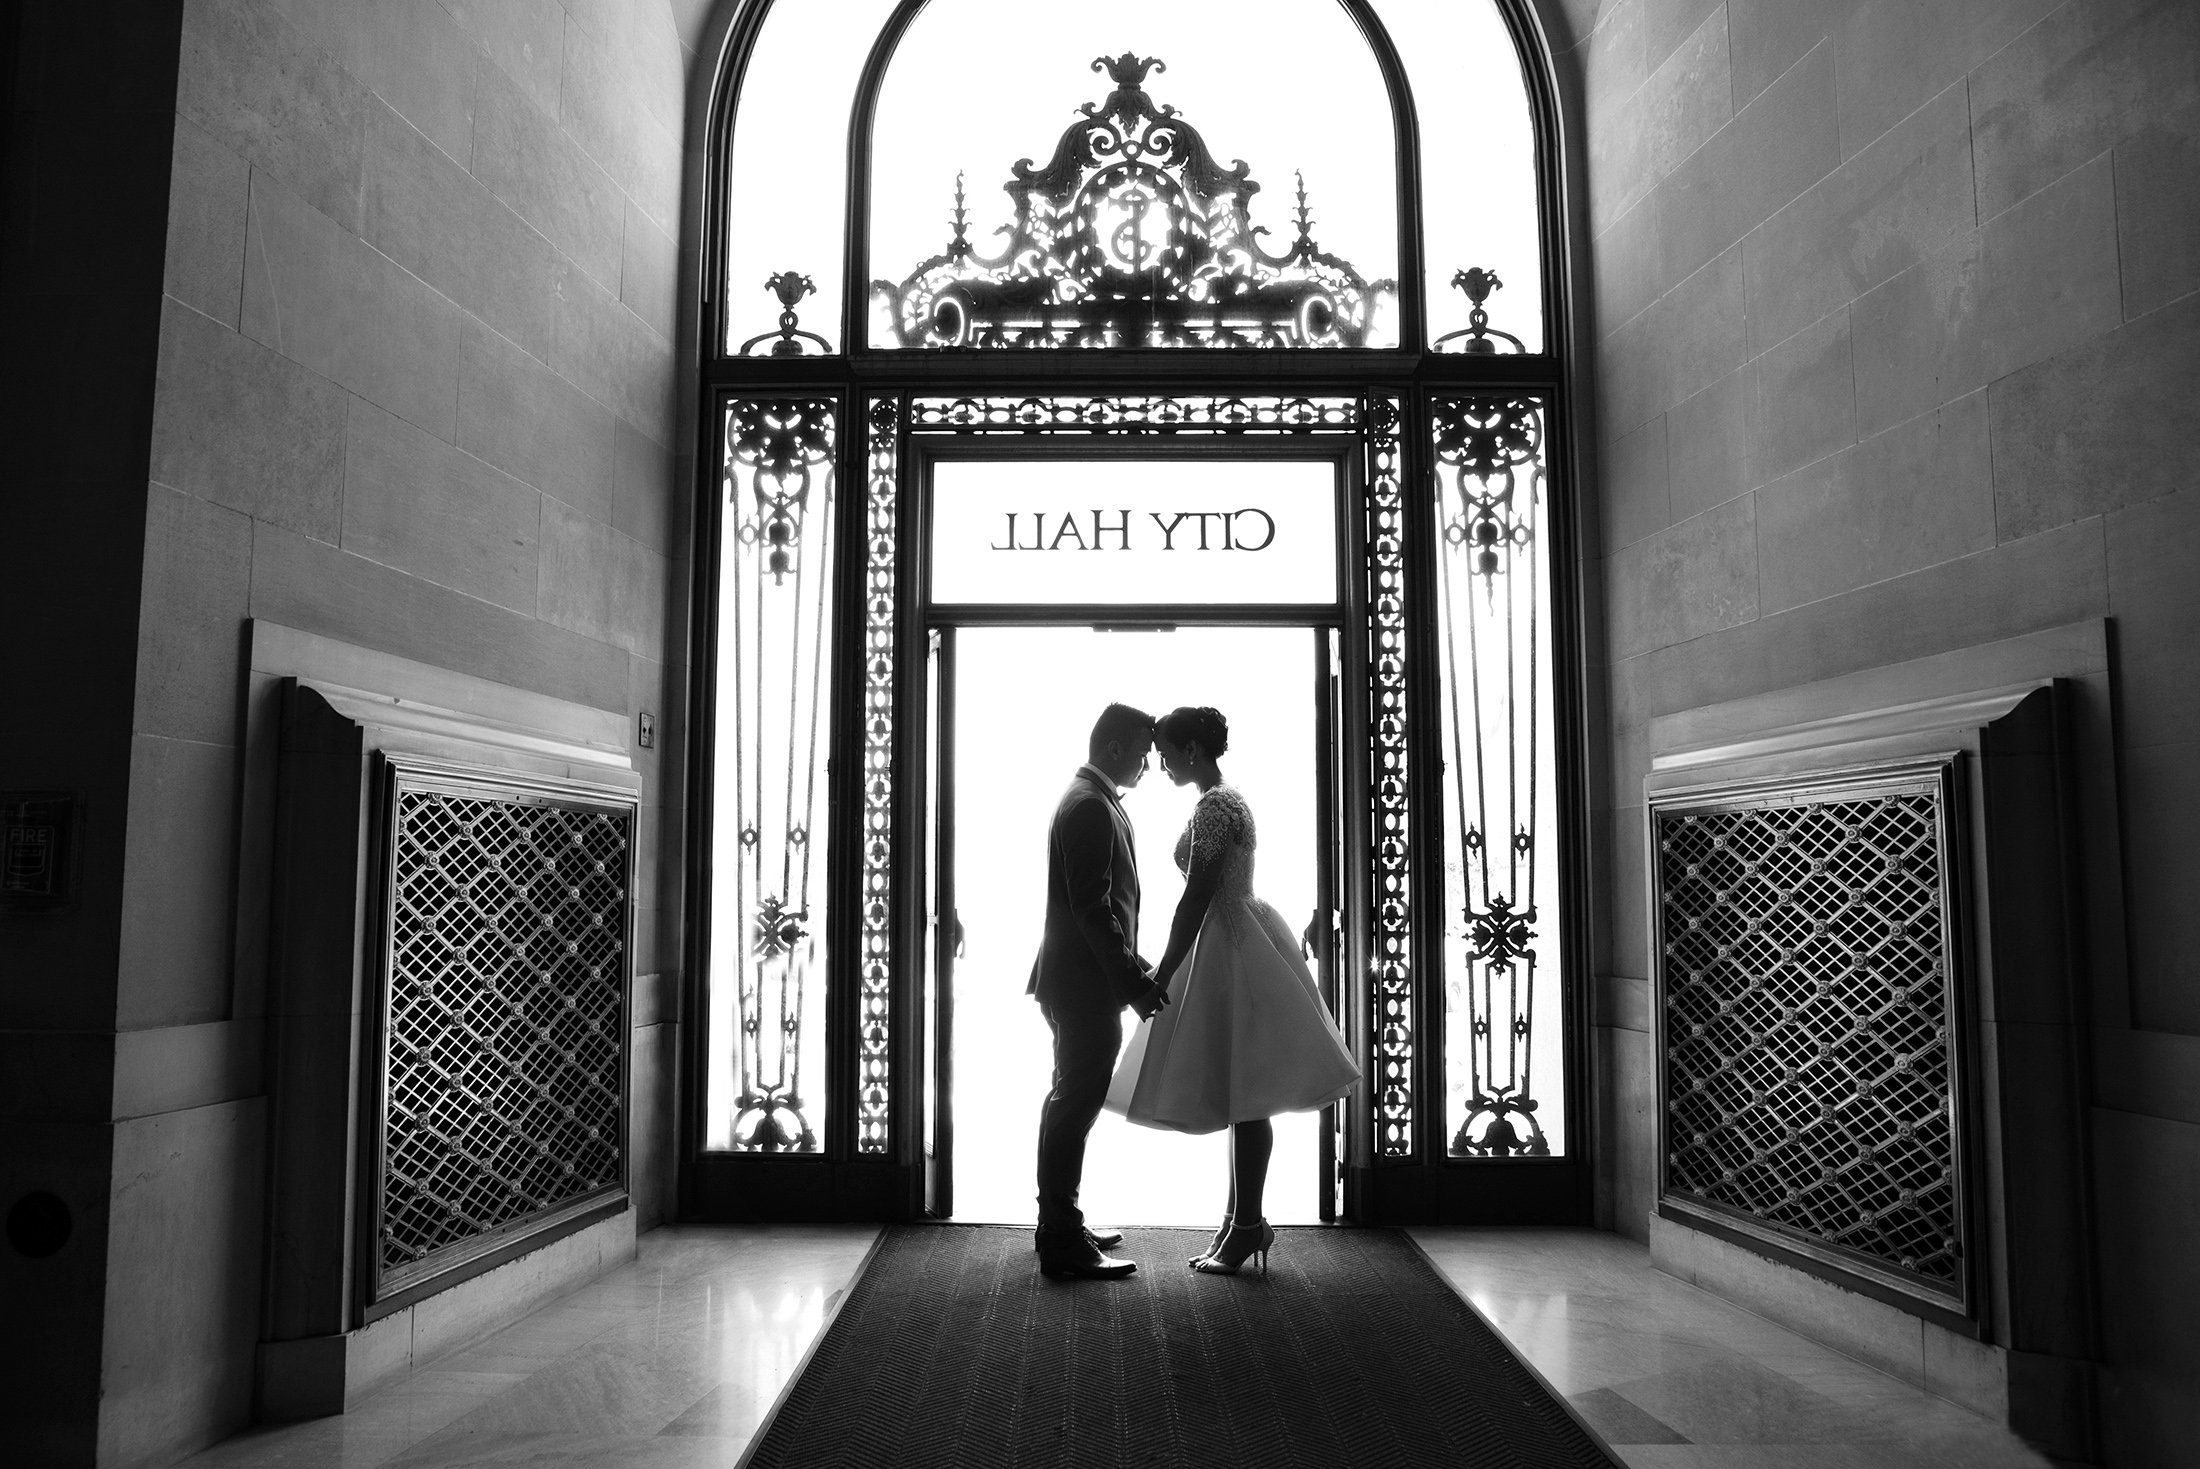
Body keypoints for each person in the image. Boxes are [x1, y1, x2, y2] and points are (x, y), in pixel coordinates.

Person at [1105, 705, 1360, 1275]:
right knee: (1242, 1095)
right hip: (1238, 939)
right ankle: (1240, 1222)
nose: (1160, 761)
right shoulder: (1224, 798)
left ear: (1193, 749)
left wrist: (1163, 972)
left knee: (1247, 1097)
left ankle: (1246, 1226)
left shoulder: (1216, 806)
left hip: (1232, 951)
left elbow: (1196, 897)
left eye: (1167, 751)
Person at [1028, 703, 1170, 1280]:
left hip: (1077, 981)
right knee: (1074, 1104)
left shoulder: (1090, 798)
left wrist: (1135, 965)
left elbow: (1101, 909)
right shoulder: (1089, 806)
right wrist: (1133, 981)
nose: (1147, 765)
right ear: (1114, 748)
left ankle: (1059, 1220)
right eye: (1142, 753)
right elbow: (1094, 911)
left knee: (1069, 1100)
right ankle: (1061, 1239)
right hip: (1083, 986)